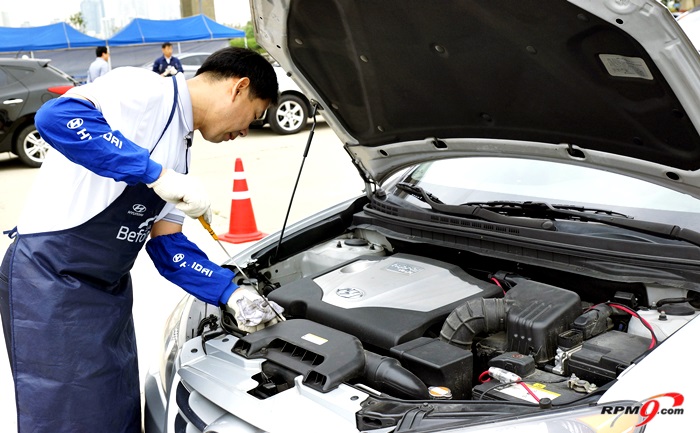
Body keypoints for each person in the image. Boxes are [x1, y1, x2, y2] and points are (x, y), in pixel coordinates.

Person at [0, 47, 280, 433]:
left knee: (117, 413)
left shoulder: (180, 153)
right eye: (254, 115)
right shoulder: (145, 90)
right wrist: (154, 173)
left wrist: (230, 293)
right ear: (239, 88)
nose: (245, 131)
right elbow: (57, 116)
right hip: (50, 283)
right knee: (72, 421)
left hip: (106, 293)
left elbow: (168, 248)